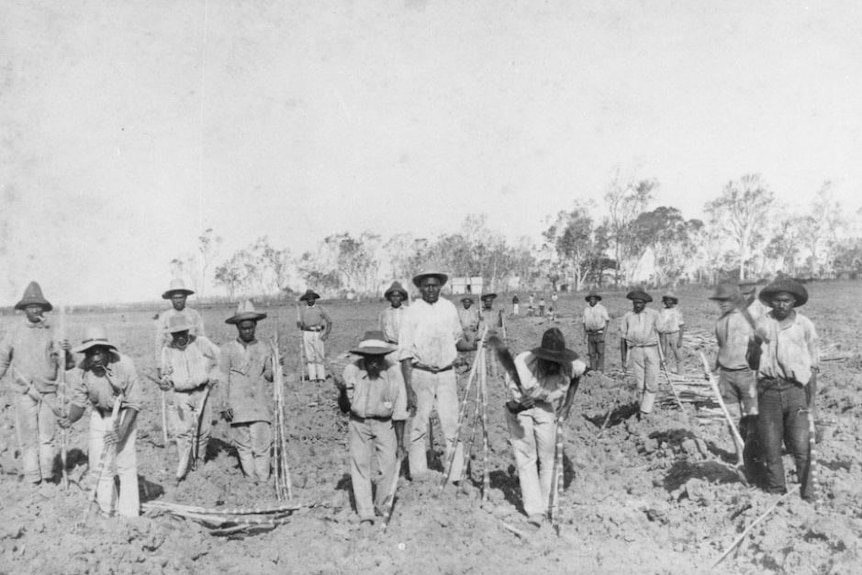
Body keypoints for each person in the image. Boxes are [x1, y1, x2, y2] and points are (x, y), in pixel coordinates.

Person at [505, 328, 587, 527]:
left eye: (556, 362)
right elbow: (511, 405)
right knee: (527, 457)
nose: (552, 365)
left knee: (548, 456)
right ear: (540, 357)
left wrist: (567, 405)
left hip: (545, 406)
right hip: (521, 406)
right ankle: (535, 510)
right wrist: (518, 407)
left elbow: (578, 375)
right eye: (548, 361)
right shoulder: (522, 366)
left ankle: (550, 505)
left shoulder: (569, 366)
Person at [399, 267, 474, 482]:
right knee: (419, 424)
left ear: (441, 287)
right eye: (426, 285)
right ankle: (418, 472)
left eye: (435, 285)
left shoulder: (449, 308)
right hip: (421, 374)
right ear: (420, 288)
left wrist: (475, 344)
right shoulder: (412, 311)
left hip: (446, 374)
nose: (431, 289)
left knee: (451, 423)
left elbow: (458, 340)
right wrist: (408, 388)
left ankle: (455, 472)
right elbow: (404, 353)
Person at [749, 278, 819, 500]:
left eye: (786, 301)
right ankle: (776, 491)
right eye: (777, 301)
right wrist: (756, 347)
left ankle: (808, 495)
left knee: (801, 446)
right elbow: (751, 362)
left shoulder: (804, 326)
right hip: (768, 391)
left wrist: (811, 402)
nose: (781, 305)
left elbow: (814, 365)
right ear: (771, 302)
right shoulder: (761, 324)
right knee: (770, 446)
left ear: (794, 302)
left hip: (795, 390)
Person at [61, 326, 142, 517]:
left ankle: (129, 514)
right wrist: (69, 418)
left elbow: (134, 404)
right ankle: (108, 509)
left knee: (125, 464)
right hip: (99, 415)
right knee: (100, 465)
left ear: (107, 351)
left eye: (98, 353)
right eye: (90, 354)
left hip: (123, 416)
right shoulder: (82, 370)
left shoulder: (125, 365)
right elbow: (79, 403)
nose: (94, 358)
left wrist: (121, 432)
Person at [335, 330, 408, 527]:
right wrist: (342, 391)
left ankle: (381, 504)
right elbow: (344, 407)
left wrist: (400, 443)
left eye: (378, 358)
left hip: (385, 423)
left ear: (384, 357)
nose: (374, 362)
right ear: (363, 357)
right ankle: (365, 512)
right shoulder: (351, 370)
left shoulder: (394, 372)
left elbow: (400, 409)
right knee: (361, 465)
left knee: (389, 465)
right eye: (370, 358)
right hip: (358, 422)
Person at [0, 281, 69, 485]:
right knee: (28, 438)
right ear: (24, 309)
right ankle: (33, 478)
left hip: (48, 392)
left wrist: (67, 350)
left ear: (42, 308)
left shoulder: (52, 330)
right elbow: (3, 358)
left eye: (37, 306)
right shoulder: (14, 331)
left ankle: (47, 476)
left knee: (46, 437)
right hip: (24, 392)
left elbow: (67, 363)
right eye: (30, 306)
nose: (34, 309)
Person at [158, 316, 221, 484]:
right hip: (181, 395)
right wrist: (166, 383)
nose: (180, 336)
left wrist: (213, 376)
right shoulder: (167, 351)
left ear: (188, 330)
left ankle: (198, 464)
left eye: (183, 332)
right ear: (171, 334)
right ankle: (185, 467)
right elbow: (165, 375)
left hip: (202, 392)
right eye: (176, 333)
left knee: (203, 431)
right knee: (183, 433)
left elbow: (220, 359)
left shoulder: (201, 342)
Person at [220, 301, 274, 482]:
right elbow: (223, 378)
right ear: (237, 327)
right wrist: (224, 404)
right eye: (243, 328)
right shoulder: (227, 349)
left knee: (262, 445)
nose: (247, 332)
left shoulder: (264, 348)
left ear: (255, 326)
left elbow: (269, 375)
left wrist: (275, 367)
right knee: (243, 446)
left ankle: (263, 479)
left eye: (250, 328)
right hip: (237, 405)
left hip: (258, 405)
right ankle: (251, 479)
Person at [709, 283, 760, 473]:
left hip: (747, 375)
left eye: (726, 300)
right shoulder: (719, 323)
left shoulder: (751, 319)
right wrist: (714, 368)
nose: (722, 304)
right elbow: (722, 348)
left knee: (752, 419)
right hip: (726, 376)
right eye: (719, 301)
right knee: (732, 419)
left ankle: (754, 457)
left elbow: (761, 347)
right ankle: (740, 457)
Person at [620, 289, 661, 419]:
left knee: (652, 381)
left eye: (640, 303)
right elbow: (623, 338)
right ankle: (642, 409)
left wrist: (664, 353)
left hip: (651, 349)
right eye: (635, 303)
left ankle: (646, 410)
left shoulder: (654, 314)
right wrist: (623, 359)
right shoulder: (628, 316)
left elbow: (662, 333)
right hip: (635, 350)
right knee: (640, 383)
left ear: (645, 303)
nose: (637, 305)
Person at [155, 279, 205, 359]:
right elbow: (159, 341)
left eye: (181, 297)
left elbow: (202, 338)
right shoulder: (165, 317)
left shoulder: (194, 315)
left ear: (185, 298)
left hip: (193, 355)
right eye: (175, 298)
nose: (178, 301)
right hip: (173, 356)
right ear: (171, 299)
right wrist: (159, 364)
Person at [297, 289, 332, 382]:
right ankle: (312, 378)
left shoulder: (320, 309)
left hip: (318, 333)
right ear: (306, 300)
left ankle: (321, 377)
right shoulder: (303, 310)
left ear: (315, 299)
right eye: (308, 299)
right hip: (307, 334)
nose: (310, 300)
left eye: (312, 298)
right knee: (310, 356)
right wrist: (299, 325)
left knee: (319, 355)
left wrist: (326, 334)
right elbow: (301, 324)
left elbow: (330, 321)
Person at [582, 289, 610, 372]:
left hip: (599, 333)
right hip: (590, 334)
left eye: (594, 299)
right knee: (591, 354)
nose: (592, 300)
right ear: (589, 300)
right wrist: (584, 337)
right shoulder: (586, 309)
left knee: (600, 353)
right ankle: (593, 371)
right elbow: (584, 323)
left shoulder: (601, 308)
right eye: (591, 299)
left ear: (597, 300)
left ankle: (600, 371)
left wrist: (604, 335)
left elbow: (607, 321)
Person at [658, 292, 685, 374]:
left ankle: (681, 374)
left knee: (679, 356)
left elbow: (681, 326)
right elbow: (659, 325)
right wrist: (660, 337)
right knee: (664, 356)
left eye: (670, 300)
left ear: (673, 301)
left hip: (675, 334)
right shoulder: (662, 311)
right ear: (664, 301)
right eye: (666, 300)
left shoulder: (677, 311)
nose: (668, 302)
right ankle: (665, 374)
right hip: (665, 335)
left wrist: (680, 339)